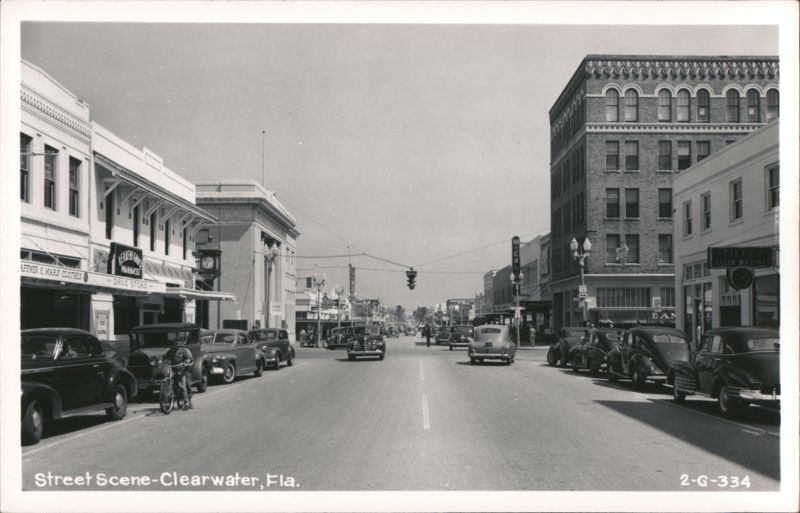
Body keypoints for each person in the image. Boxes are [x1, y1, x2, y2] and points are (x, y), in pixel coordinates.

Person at [165, 334, 194, 411]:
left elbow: (191, 360)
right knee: (169, 382)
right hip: (173, 369)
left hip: (182, 369)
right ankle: (170, 401)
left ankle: (187, 402)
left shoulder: (185, 350)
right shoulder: (171, 350)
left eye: (178, 342)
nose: (177, 344)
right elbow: (165, 357)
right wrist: (159, 360)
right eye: (175, 342)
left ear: (181, 343)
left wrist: (186, 363)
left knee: (184, 385)